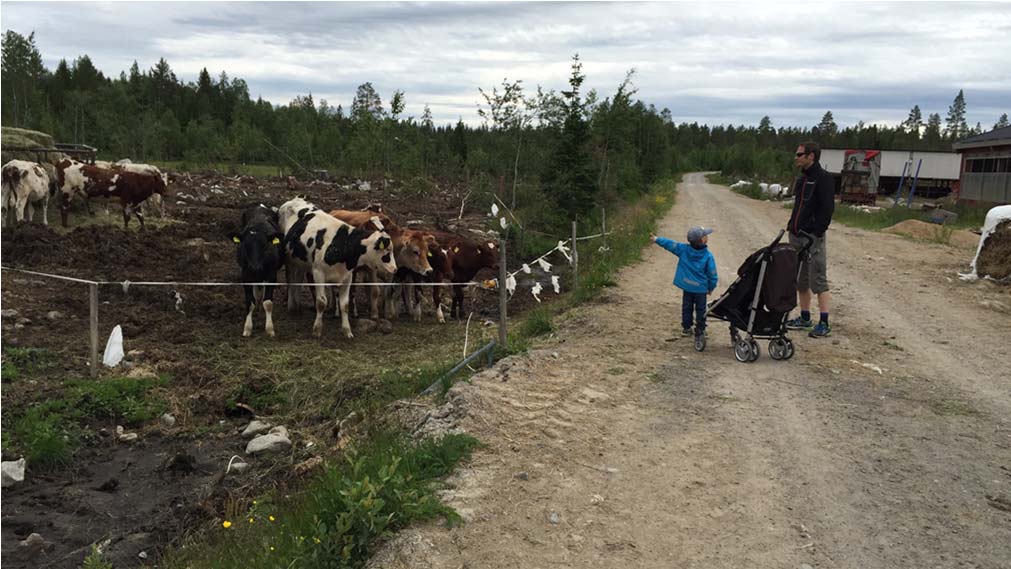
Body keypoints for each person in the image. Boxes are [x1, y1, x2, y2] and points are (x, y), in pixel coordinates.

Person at [785, 141, 835, 338]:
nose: (796, 157)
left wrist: (816, 233)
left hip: (813, 239)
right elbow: (799, 207)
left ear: (811, 156)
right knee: (800, 280)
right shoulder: (803, 179)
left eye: (799, 154)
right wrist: (792, 226)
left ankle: (824, 322)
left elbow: (827, 210)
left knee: (818, 279)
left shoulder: (824, 179)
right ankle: (805, 318)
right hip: (796, 237)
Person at [651, 226, 719, 339]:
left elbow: (670, 244)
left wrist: (657, 239)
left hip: (687, 286)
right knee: (701, 309)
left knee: (687, 307)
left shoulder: (683, 249)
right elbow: (712, 274)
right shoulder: (708, 256)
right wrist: (711, 287)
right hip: (700, 289)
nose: (707, 237)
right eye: (706, 235)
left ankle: (687, 328)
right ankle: (701, 329)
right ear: (703, 240)